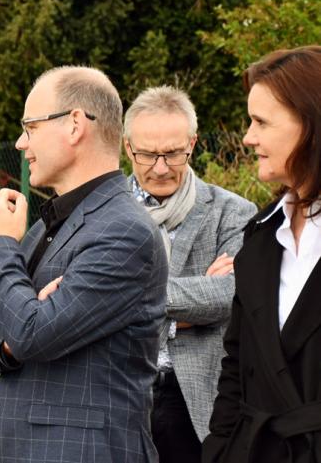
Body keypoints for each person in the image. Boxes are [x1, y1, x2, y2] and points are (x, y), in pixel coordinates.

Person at [0, 66, 169, 463]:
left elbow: (29, 330)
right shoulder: (49, 223)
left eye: (30, 127)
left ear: (75, 124)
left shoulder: (125, 232)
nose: (21, 142)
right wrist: (13, 340)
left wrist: (2, 246)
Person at [123, 86, 257, 463]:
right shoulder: (104, 213)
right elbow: (85, 301)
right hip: (120, 391)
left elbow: (230, 295)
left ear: (193, 144)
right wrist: (184, 314)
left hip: (200, 400)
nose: (161, 167)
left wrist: (131, 297)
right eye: (148, 154)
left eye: (173, 153)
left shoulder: (233, 212)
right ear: (128, 146)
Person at [203, 46, 321, 463]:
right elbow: (235, 371)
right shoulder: (259, 238)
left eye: (260, 122)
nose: (248, 137)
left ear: (310, 124)